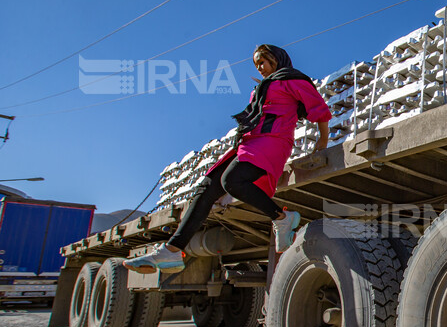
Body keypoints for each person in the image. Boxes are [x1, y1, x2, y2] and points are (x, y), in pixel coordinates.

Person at [124, 44, 331, 274]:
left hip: (273, 142)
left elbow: (318, 107)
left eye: (262, 61)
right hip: (249, 144)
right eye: (256, 64)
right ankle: (172, 251)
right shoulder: (260, 89)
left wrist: (323, 140)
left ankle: (282, 218)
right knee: (206, 188)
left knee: (231, 180)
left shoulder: (292, 80)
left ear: (276, 59)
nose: (259, 67)